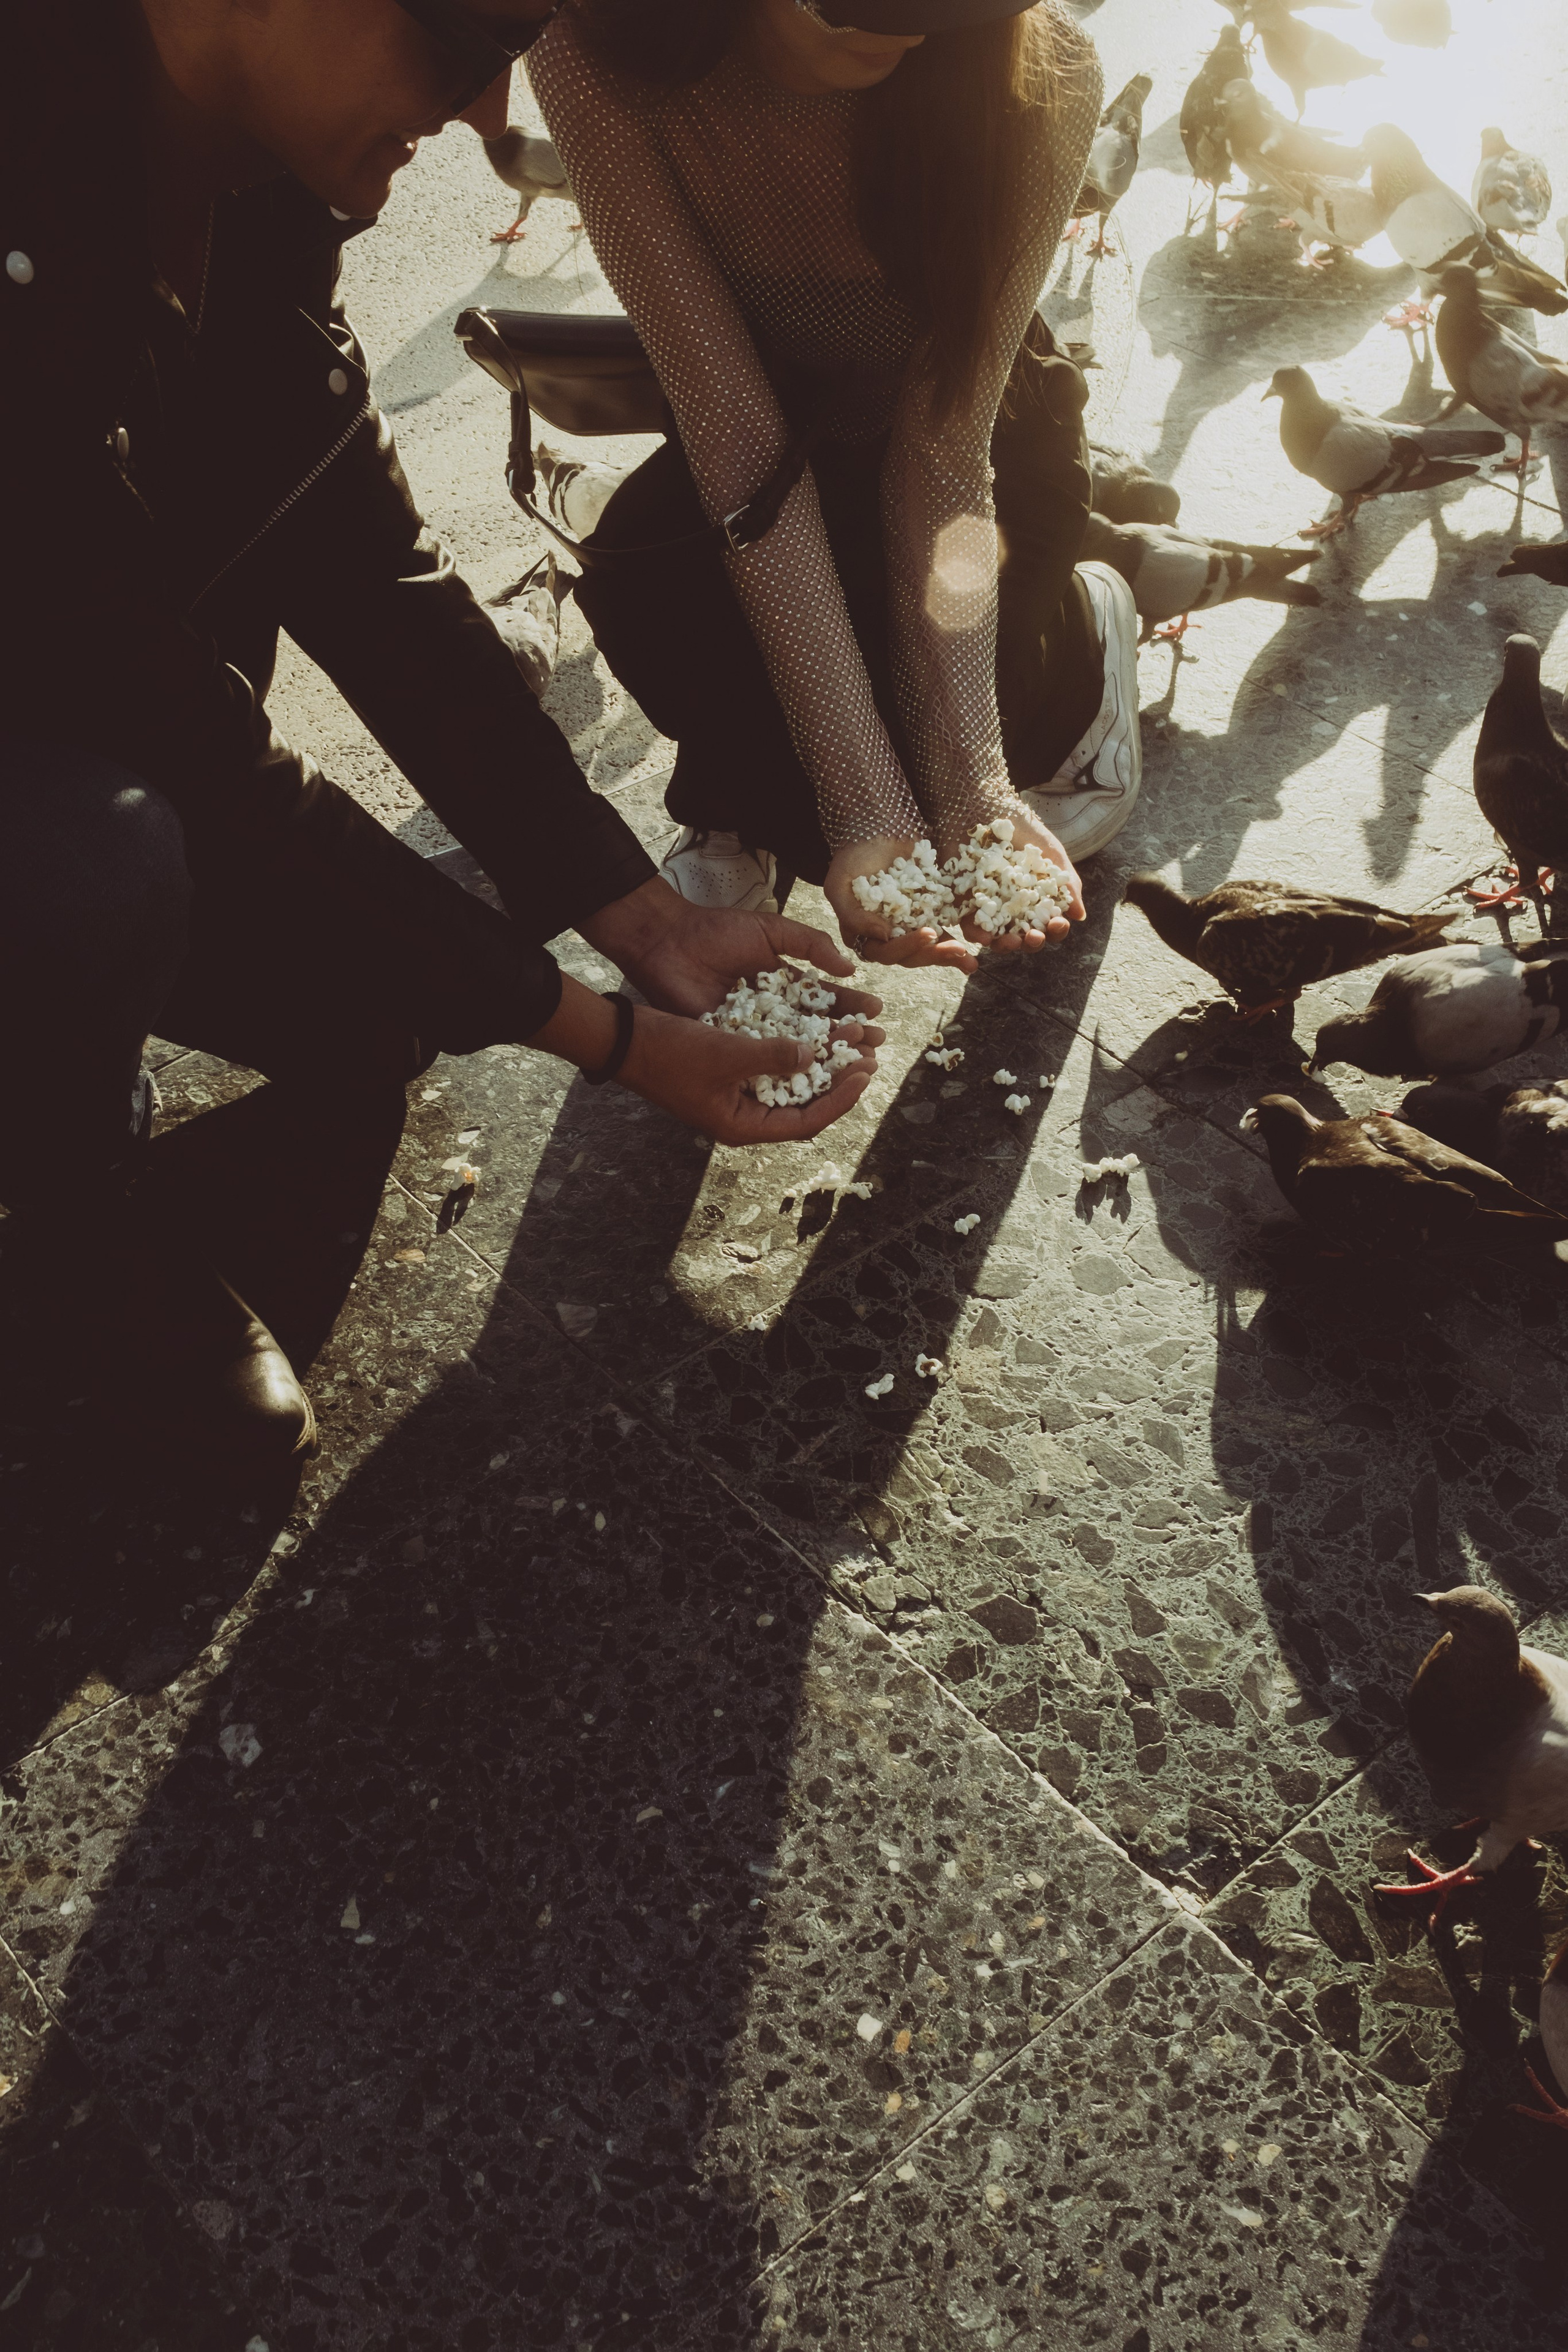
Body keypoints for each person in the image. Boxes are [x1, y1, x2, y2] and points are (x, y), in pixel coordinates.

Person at [0, 0, 881, 1482]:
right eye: (454, 28)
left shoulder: (248, 176)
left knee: (369, 1015)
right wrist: (600, 1035)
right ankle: (66, 1219)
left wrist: (639, 915)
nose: (486, 107)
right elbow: (168, 730)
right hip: (79, 771)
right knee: (101, 855)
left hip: (109, 726)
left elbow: (369, 571)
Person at [529, 0, 1142, 970]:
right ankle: (739, 803)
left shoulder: (1042, 67)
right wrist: (866, 811)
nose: (907, 36)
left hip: (980, 432)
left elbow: (945, 455)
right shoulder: (595, 52)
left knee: (972, 695)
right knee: (665, 612)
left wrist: (970, 782)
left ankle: (1087, 643)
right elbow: (737, 441)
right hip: (753, 413)